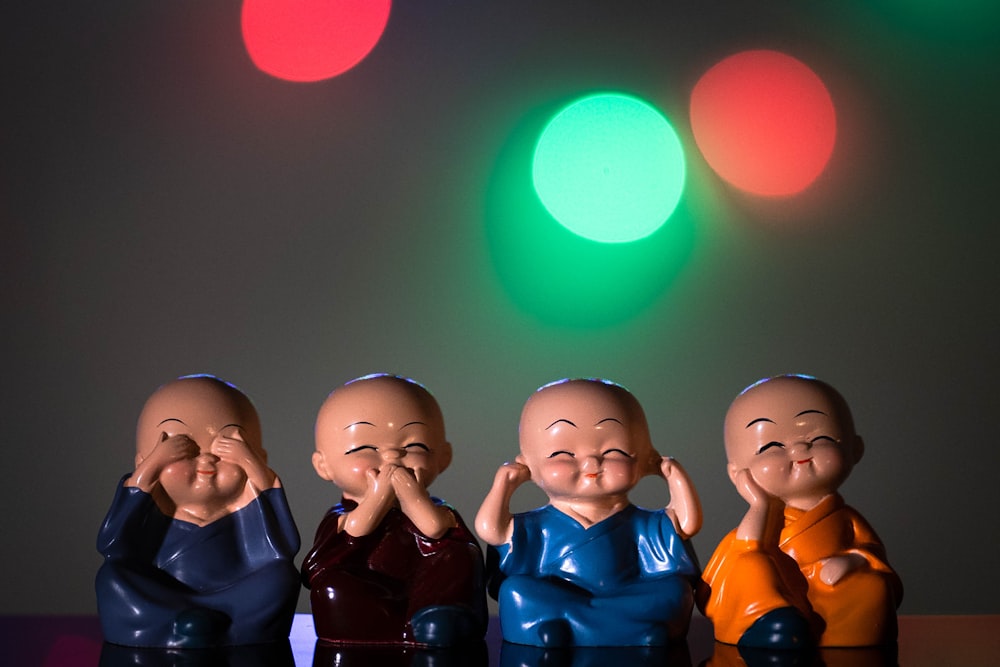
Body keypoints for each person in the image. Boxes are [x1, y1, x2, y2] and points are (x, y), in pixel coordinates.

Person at [476, 378, 701, 647]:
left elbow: (688, 524)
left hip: (624, 594)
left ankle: (569, 627)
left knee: (677, 590)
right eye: (563, 453)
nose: (592, 462)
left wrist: (672, 473)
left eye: (614, 451)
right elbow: (491, 531)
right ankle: (629, 632)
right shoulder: (538, 525)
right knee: (516, 590)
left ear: (642, 458)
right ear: (528, 465)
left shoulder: (639, 523)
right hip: (562, 596)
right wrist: (504, 485)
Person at [698, 374, 902, 648]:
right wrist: (759, 505)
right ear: (737, 473)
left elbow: (871, 552)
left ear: (855, 449)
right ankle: (768, 622)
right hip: (780, 590)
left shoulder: (847, 519)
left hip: (831, 587)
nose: (798, 449)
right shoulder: (766, 518)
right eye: (771, 446)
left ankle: (848, 643)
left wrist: (851, 561)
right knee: (748, 562)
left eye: (820, 437)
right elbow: (750, 546)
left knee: (873, 587)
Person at [96, 375, 300, 648]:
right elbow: (112, 546)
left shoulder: (245, 506)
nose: (206, 459)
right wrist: (149, 471)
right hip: (163, 596)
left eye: (226, 445)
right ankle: (177, 624)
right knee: (113, 577)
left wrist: (251, 465)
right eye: (184, 448)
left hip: (236, 596)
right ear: (144, 460)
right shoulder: (152, 506)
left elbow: (283, 549)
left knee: (282, 577)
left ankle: (221, 627)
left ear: (258, 457)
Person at [301, 373, 486, 646]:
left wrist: (411, 496)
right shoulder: (341, 515)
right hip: (368, 595)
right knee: (330, 586)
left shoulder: (440, 511)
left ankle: (437, 618)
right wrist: (378, 497)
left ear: (443, 458)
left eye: (414, 446)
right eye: (364, 447)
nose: (391, 458)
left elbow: (433, 528)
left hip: (427, 594)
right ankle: (386, 626)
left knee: (458, 554)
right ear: (323, 465)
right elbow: (354, 531)